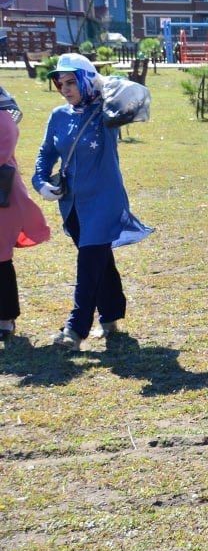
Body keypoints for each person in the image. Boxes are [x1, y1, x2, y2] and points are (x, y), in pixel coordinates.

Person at [34, 54, 150, 350]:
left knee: (88, 265)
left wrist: (102, 83)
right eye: (61, 83)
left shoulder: (106, 113)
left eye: (73, 82)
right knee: (99, 261)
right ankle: (111, 315)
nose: (66, 89)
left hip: (103, 201)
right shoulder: (59, 116)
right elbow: (46, 152)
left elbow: (136, 95)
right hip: (72, 205)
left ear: (87, 81)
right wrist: (41, 182)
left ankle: (74, 331)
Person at [0, 87, 50, 341]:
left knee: (0, 258)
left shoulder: (3, 118)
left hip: (3, 199)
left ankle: (5, 318)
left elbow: (2, 152)